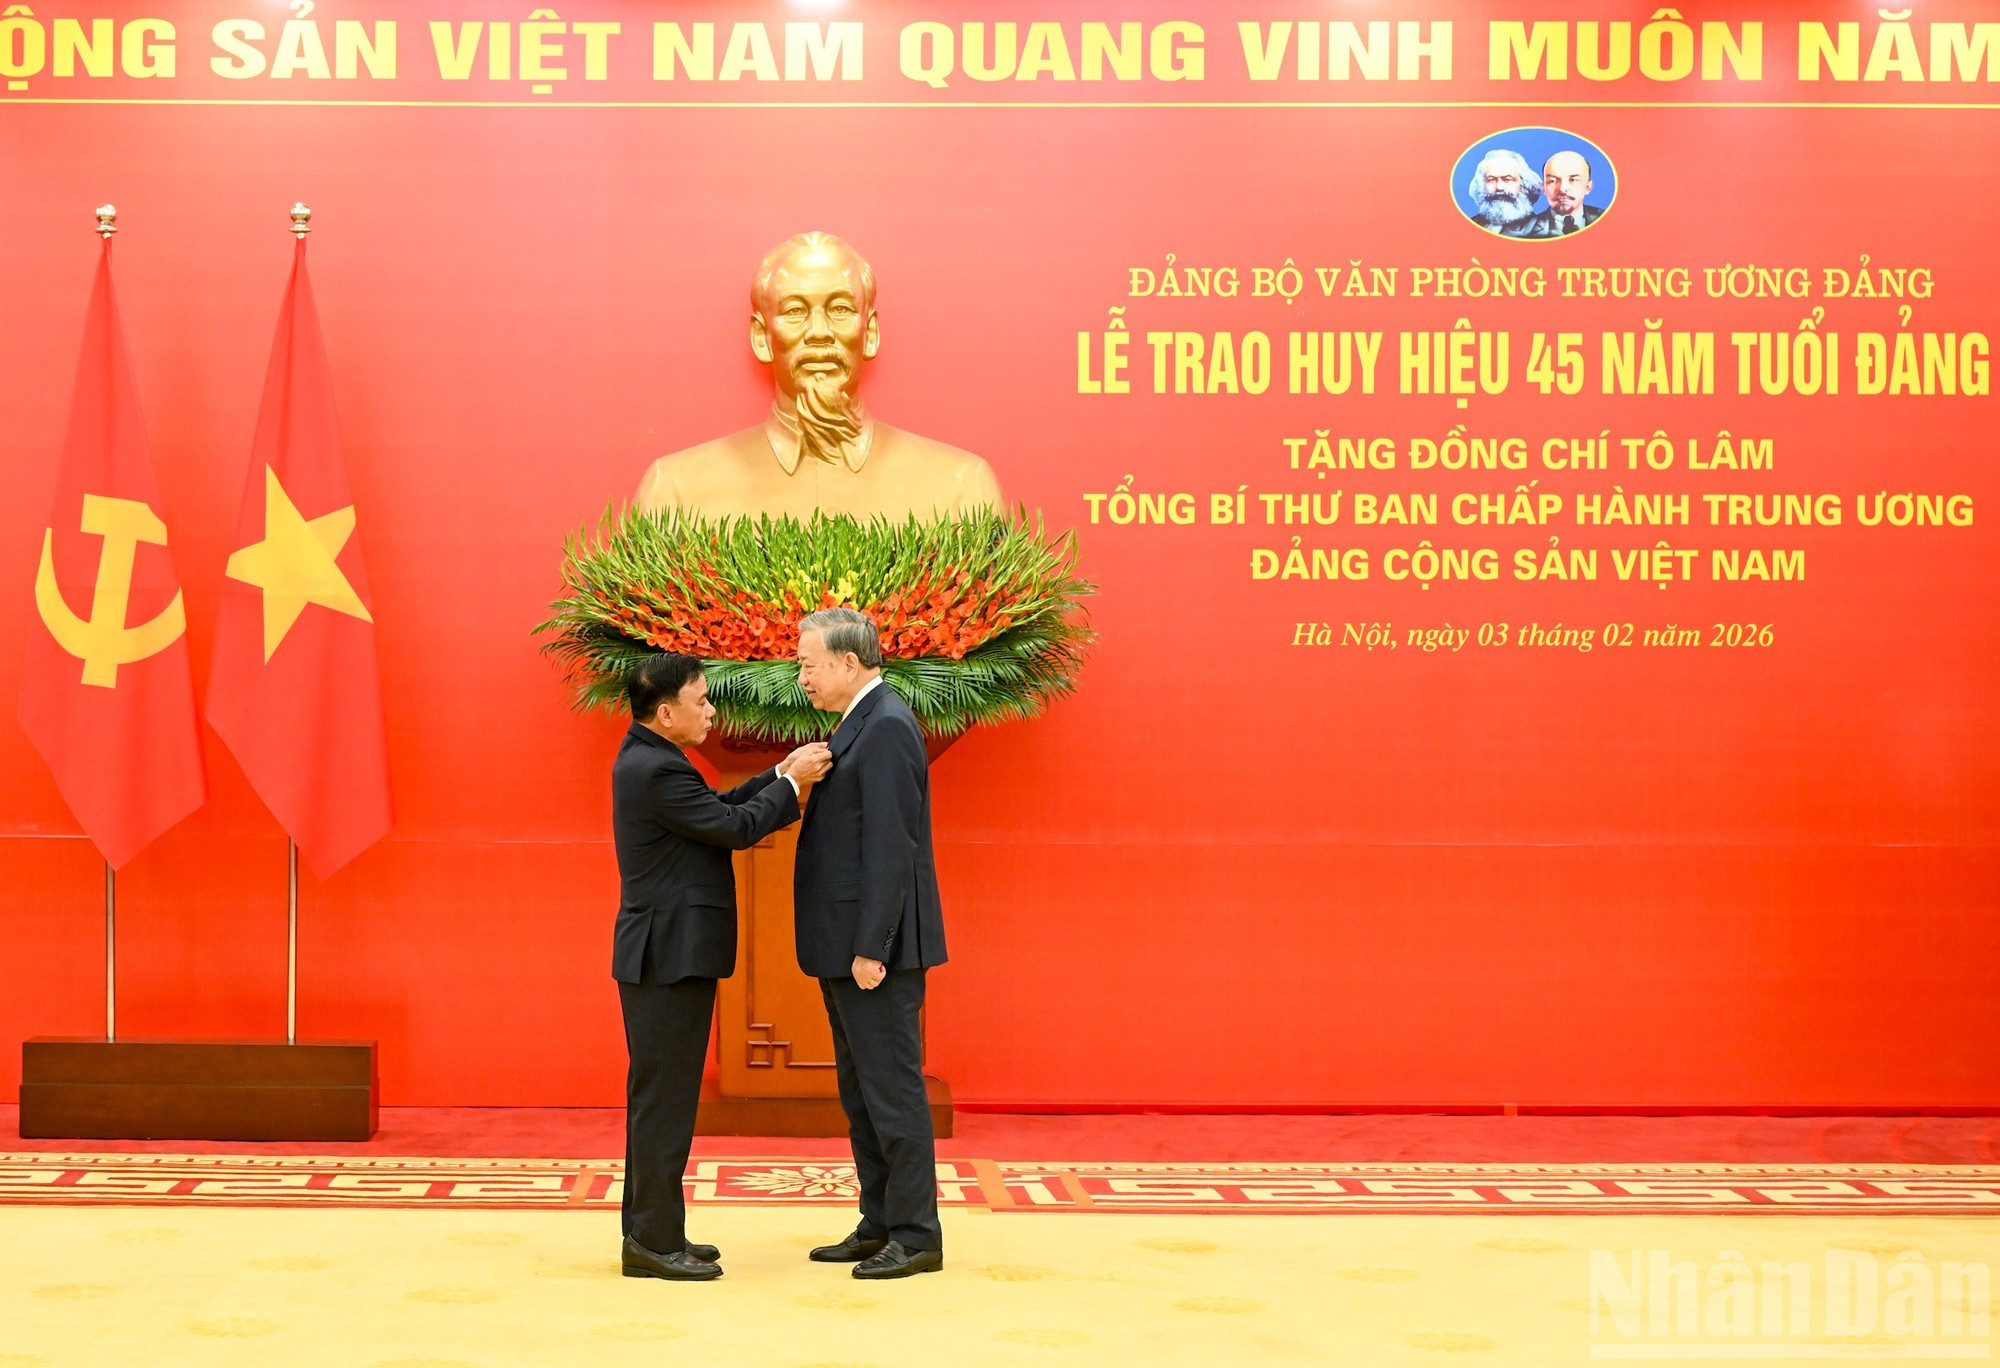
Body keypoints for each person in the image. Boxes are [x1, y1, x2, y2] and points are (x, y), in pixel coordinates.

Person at [612, 651, 830, 1282]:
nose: (710, 711)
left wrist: (780, 771)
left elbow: (720, 807)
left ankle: (652, 1231)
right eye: (701, 701)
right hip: (667, 956)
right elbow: (734, 828)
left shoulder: (654, 759)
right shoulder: (655, 769)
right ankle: (653, 1243)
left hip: (668, 954)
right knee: (665, 1103)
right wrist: (793, 785)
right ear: (665, 711)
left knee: (661, 1100)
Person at [634, 232, 1004, 521]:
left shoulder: (962, 492)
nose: (819, 331)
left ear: (870, 333)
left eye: (840, 308)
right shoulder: (674, 495)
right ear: (761, 337)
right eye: (795, 311)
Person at [791, 608, 947, 1279]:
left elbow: (891, 847)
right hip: (847, 945)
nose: (800, 677)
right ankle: (879, 1219)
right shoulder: (861, 722)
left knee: (891, 1091)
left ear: (848, 663)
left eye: (808, 664)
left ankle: (915, 1234)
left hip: (871, 951)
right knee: (862, 1092)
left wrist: (872, 947)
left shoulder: (884, 725)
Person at [1526, 150, 1606, 237]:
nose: (1562, 189)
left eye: (1573, 180)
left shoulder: (1608, 220)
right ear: (1544, 187)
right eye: (1552, 181)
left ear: (1588, 187)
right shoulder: (1526, 231)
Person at [1465, 148, 1542, 237]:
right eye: (1491, 180)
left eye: (1507, 179)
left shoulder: (1539, 228)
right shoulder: (1471, 225)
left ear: (1524, 184)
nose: (1499, 187)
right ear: (1482, 185)